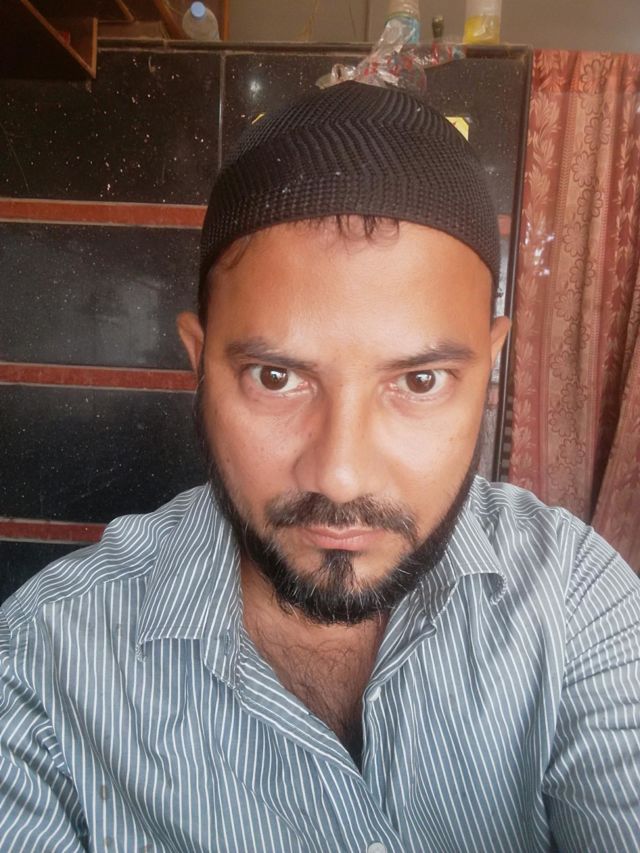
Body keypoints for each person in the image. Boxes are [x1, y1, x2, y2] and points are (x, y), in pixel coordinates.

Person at [1, 81, 639, 853]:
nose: (339, 475)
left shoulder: (575, 603)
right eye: (276, 377)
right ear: (199, 363)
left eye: (420, 380)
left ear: (490, 368)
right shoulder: (41, 671)